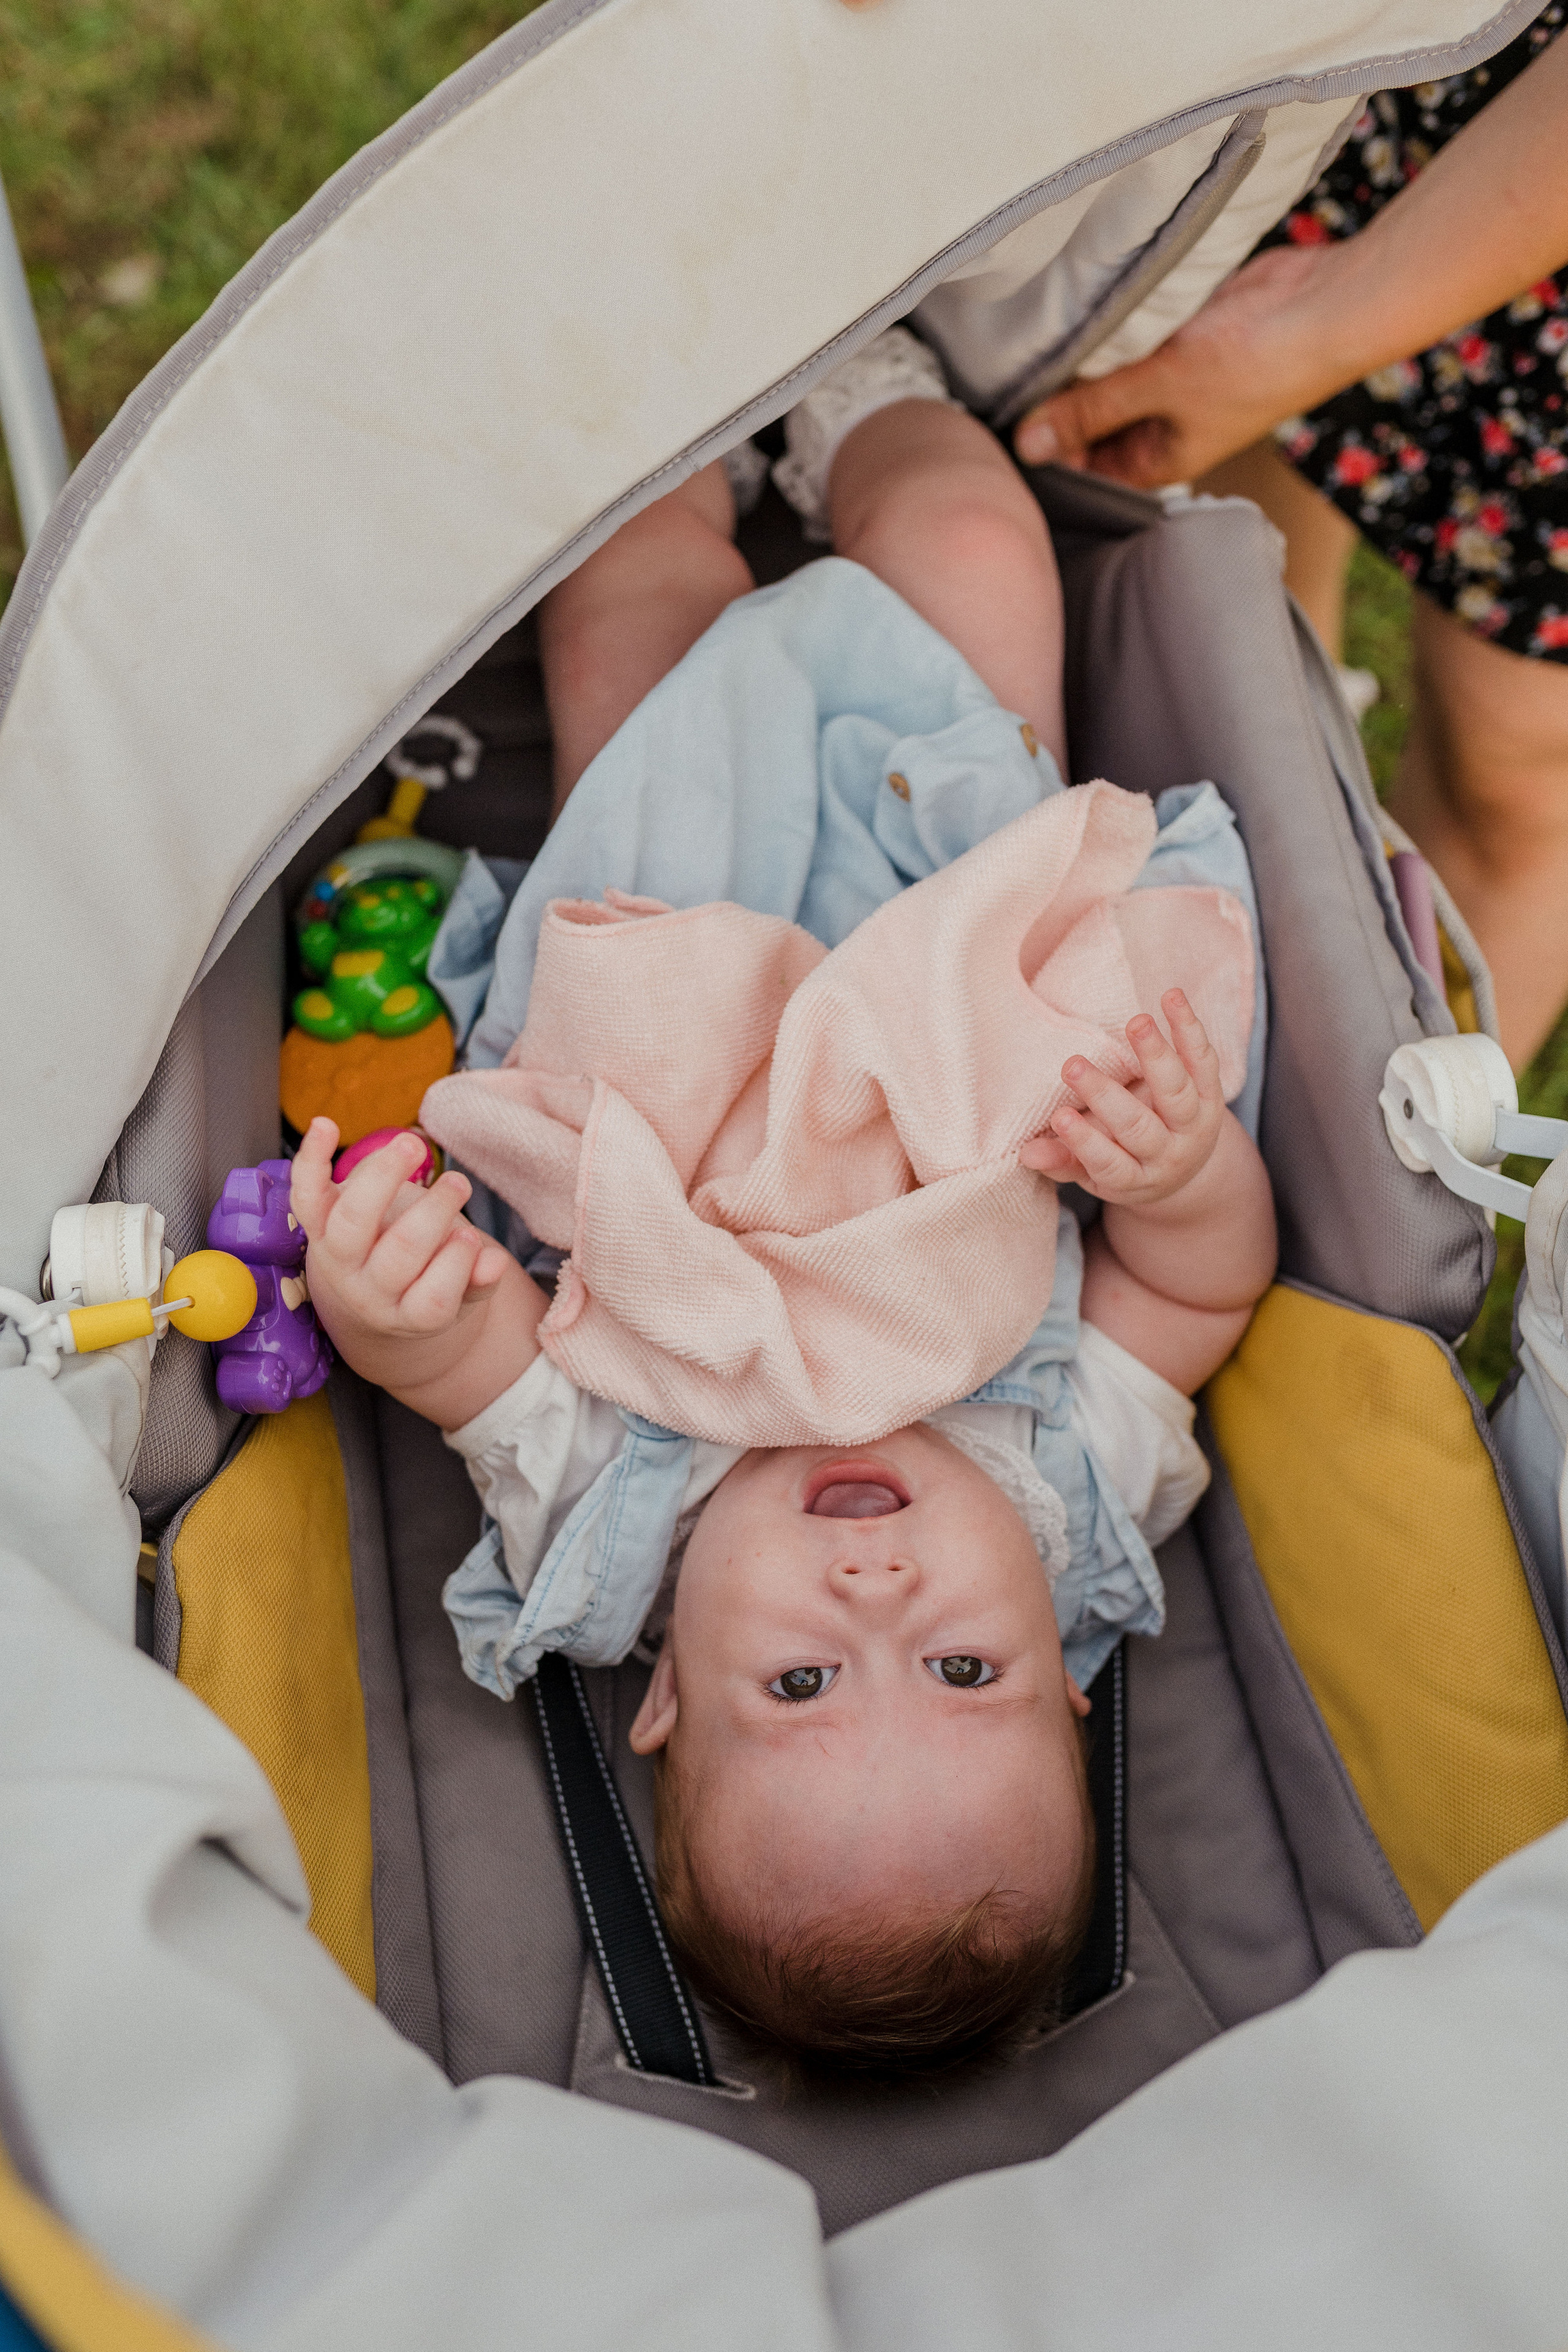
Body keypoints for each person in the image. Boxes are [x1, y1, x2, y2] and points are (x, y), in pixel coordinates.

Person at [1012, 15, 1568, 1071]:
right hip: (1409, 58)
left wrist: (1324, 325)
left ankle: (1378, 1139)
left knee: (1515, 771)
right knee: (1236, 550)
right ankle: (1285, 753)